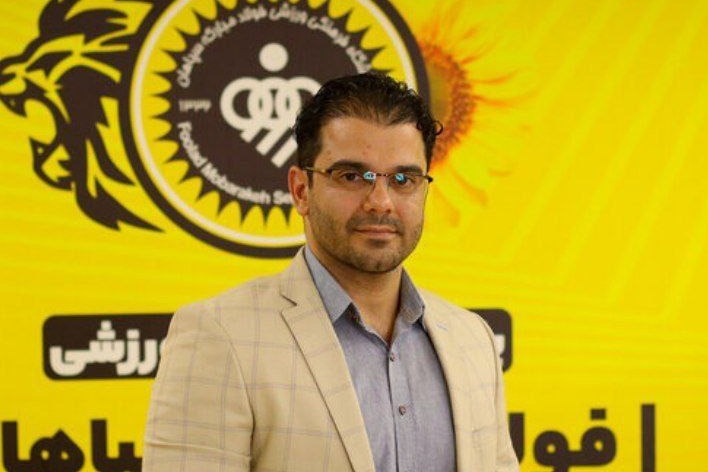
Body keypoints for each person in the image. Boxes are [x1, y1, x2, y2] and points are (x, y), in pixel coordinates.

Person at [143, 73, 519, 472]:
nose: (380, 202)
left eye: (403, 179)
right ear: (301, 190)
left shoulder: (471, 339)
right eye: (352, 176)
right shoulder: (221, 337)